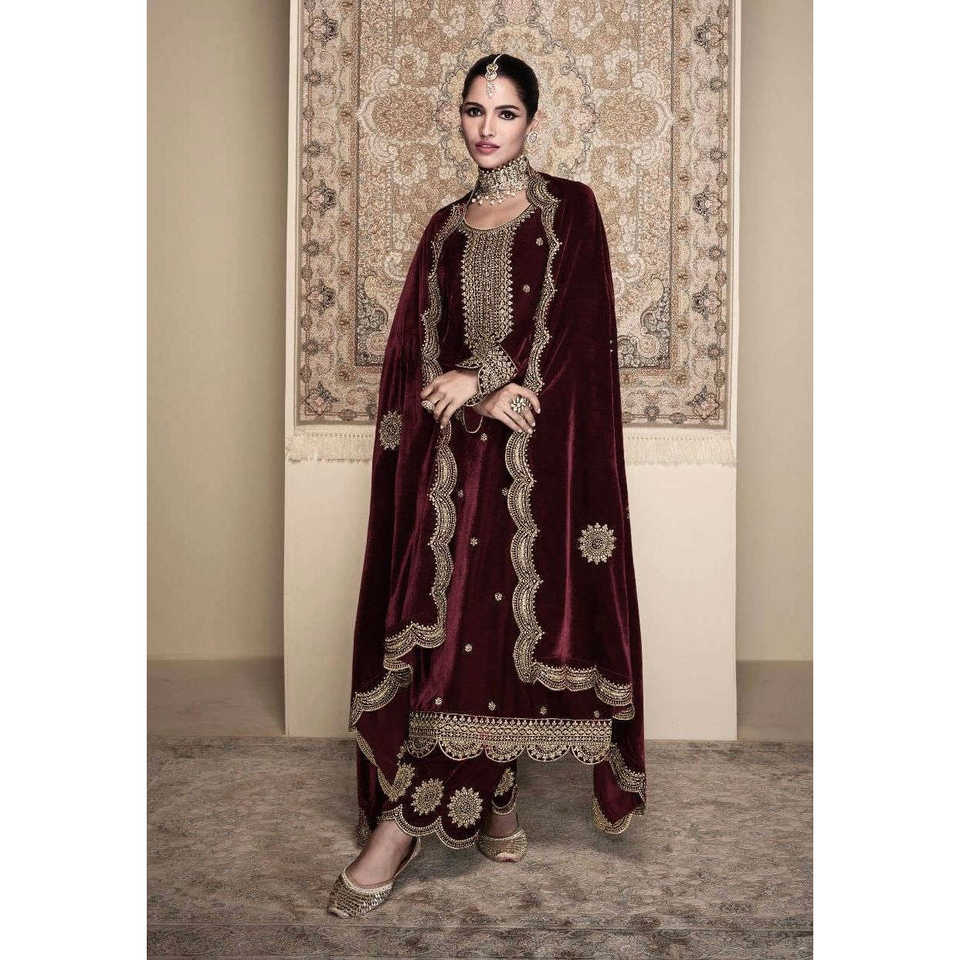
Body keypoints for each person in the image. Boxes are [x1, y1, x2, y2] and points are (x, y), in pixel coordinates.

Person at [327, 52, 647, 918]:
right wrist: (471, 393)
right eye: (474, 110)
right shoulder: (445, 227)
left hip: (534, 466)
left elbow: (576, 328)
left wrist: (498, 377)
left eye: (505, 113)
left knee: (498, 626)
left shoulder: (570, 209)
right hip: (453, 467)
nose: (486, 128)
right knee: (453, 631)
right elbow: (416, 351)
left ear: (531, 121)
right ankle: (490, 800)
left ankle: (405, 825)